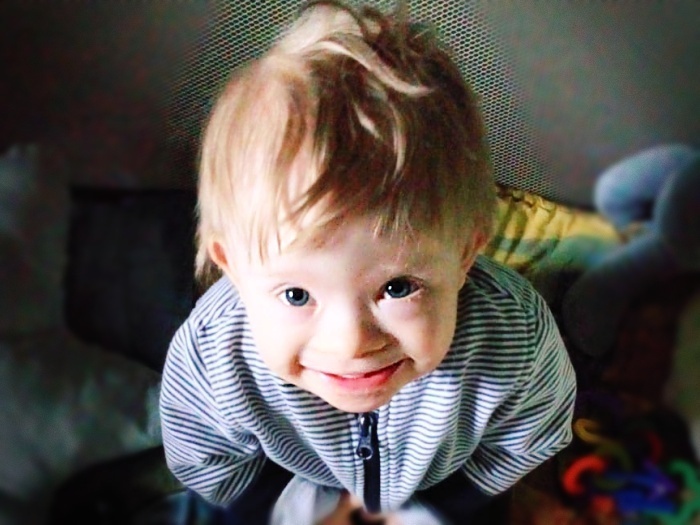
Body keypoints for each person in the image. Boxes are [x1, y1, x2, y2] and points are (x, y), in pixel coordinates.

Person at [159, 2, 576, 524]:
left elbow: (530, 436)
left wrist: (445, 507)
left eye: (398, 287)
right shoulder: (214, 352)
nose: (351, 343)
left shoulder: (514, 333)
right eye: (296, 295)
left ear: (466, 252)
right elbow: (202, 456)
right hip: (292, 488)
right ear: (234, 269)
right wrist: (277, 507)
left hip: (447, 487)